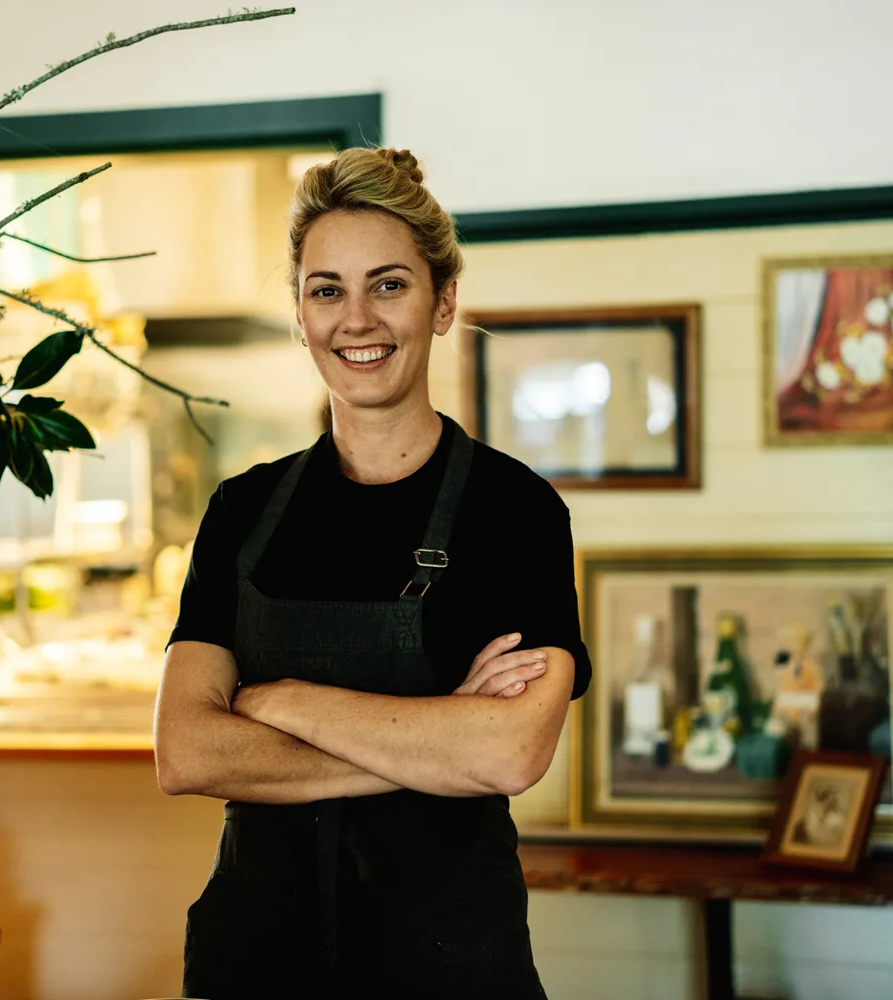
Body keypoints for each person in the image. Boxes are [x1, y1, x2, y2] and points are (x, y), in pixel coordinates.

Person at [155, 146, 592, 1000]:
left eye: (388, 285)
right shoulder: (242, 513)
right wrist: (434, 741)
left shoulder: (517, 512)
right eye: (327, 291)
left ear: (443, 301)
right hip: (257, 961)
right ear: (301, 311)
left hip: (446, 961)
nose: (356, 319)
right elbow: (185, 751)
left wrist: (279, 704)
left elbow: (508, 751)